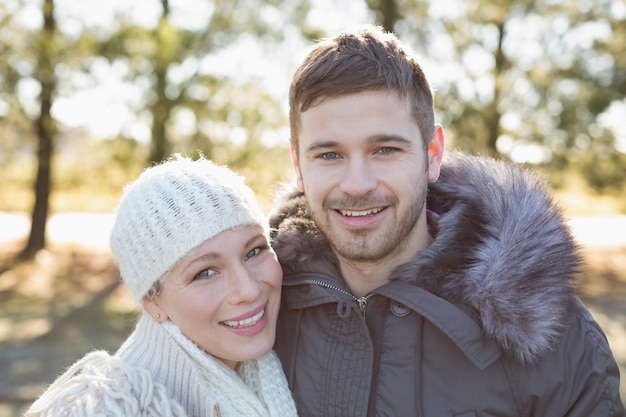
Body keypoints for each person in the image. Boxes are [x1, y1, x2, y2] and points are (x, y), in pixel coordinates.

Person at [269, 24, 625, 416]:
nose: (357, 185)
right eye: (329, 155)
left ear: (433, 153)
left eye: (385, 149)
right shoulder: (257, 312)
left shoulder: (552, 337)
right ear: (298, 164)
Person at [25, 155, 298, 417]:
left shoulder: (283, 365)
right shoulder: (116, 409)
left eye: (254, 251)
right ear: (153, 301)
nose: (248, 290)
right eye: (205, 272)